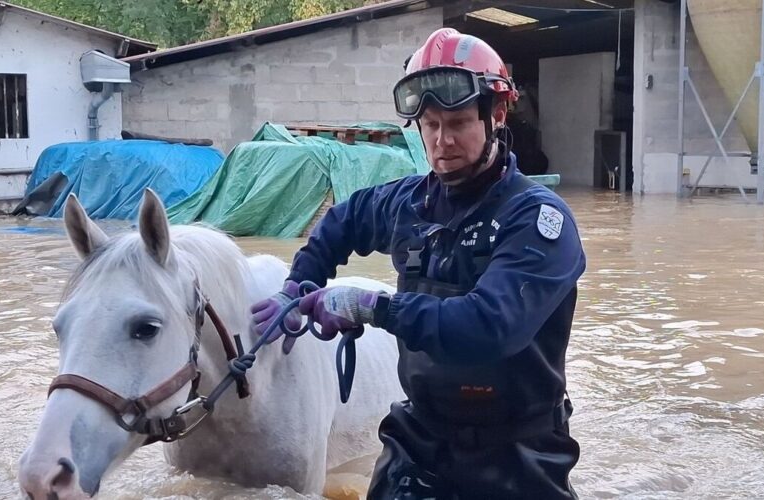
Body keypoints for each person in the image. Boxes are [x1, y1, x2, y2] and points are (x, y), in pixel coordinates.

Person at [250, 28, 586, 499]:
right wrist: (297, 286)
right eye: (430, 125)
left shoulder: (537, 220)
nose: (442, 141)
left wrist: (372, 307)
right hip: (421, 437)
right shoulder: (409, 203)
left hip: (518, 448)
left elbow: (489, 328)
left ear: (497, 114)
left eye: (459, 122)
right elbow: (339, 223)